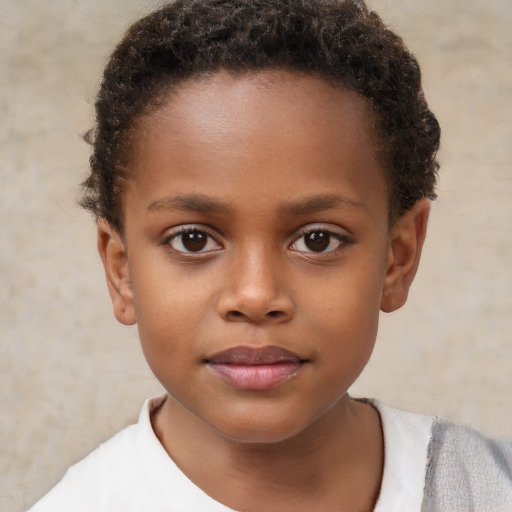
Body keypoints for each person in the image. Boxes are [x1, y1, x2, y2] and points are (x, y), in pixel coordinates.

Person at [28, 0, 512, 510]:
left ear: (397, 259)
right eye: (193, 240)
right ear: (121, 271)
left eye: (317, 240)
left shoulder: (488, 488)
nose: (256, 296)